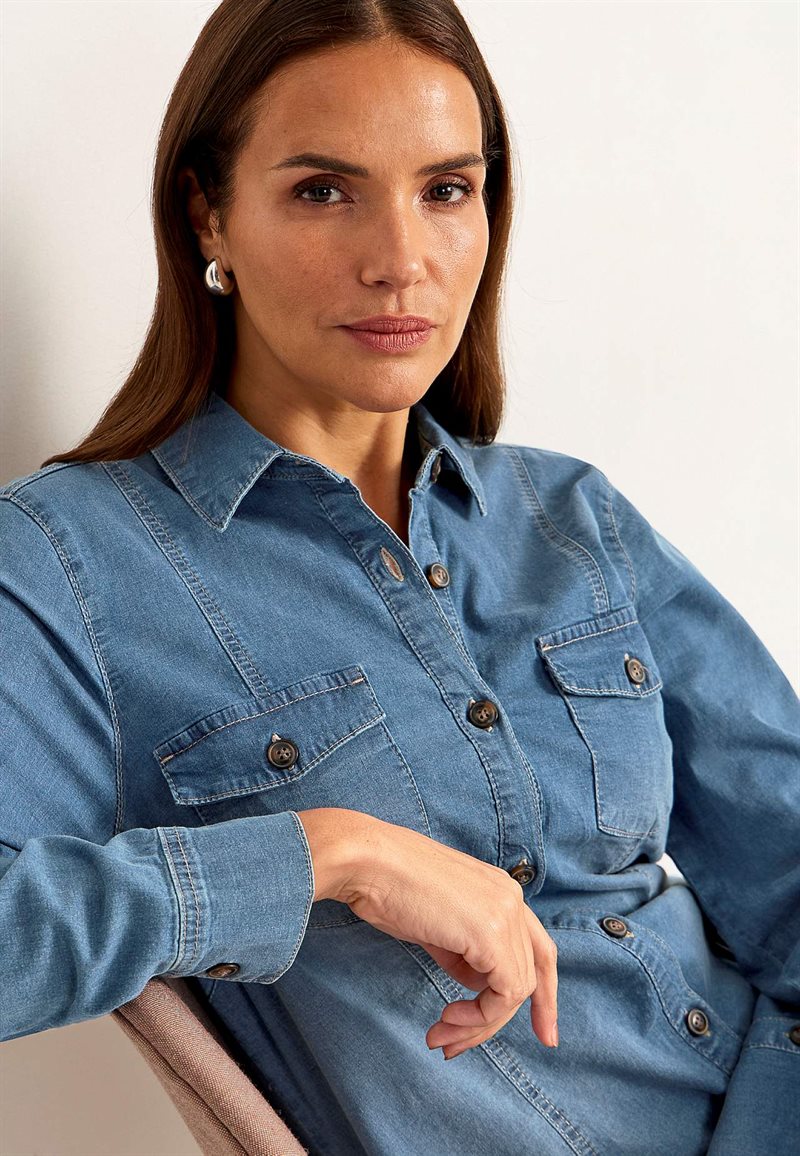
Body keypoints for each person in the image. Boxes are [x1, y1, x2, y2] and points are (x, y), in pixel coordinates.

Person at [1, 0, 798, 1152]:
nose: (400, 261)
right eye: (324, 190)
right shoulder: (71, 561)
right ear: (208, 213)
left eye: (445, 189)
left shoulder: (570, 518)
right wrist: (330, 853)